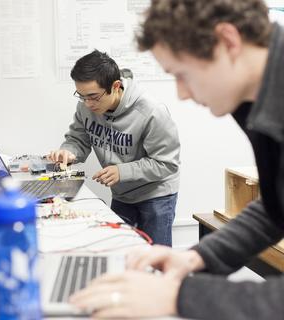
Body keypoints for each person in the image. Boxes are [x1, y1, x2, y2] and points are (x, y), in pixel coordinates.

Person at [69, 0, 284, 319]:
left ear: (228, 42)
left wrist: (181, 296)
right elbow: (275, 207)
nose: (182, 93)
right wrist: (196, 257)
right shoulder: (255, 100)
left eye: (182, 74)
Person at [49, 49, 181, 246]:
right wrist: (69, 152)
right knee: (120, 250)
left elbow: (167, 164)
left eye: (93, 96)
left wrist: (122, 171)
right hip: (122, 193)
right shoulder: (86, 106)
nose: (87, 103)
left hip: (155, 196)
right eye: (82, 96)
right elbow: (78, 139)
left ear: (116, 86)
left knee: (155, 261)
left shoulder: (151, 112)